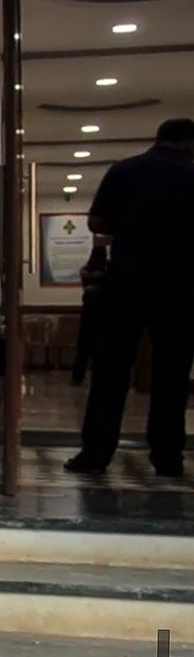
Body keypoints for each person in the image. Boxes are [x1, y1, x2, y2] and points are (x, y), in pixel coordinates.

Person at [66, 117, 194, 478]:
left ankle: (96, 453)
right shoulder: (191, 176)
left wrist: (132, 226)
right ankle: (167, 456)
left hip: (127, 283)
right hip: (180, 288)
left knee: (110, 372)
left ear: (159, 138)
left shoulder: (125, 171)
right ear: (189, 145)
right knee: (172, 375)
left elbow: (95, 222)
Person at [70, 243, 108, 386]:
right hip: (103, 313)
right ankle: (100, 377)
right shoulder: (106, 270)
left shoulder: (86, 270)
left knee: (83, 347)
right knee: (101, 347)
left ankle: (77, 376)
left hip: (88, 312)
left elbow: (86, 279)